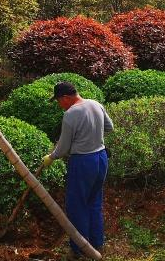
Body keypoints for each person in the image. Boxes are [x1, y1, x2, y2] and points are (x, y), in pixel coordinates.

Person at [42, 82, 113, 260]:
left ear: (66, 97)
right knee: (94, 202)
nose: (60, 105)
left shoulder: (71, 114)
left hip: (83, 162)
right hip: (101, 158)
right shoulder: (96, 104)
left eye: (59, 101)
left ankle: (79, 250)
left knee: (77, 206)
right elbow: (109, 127)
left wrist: (51, 156)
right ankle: (97, 244)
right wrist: (92, 134)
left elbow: (64, 147)